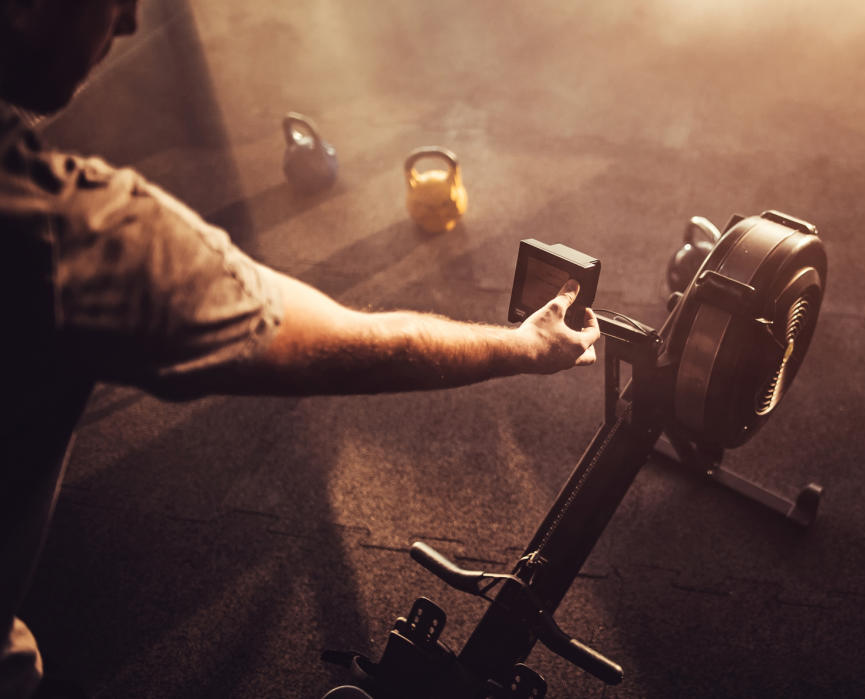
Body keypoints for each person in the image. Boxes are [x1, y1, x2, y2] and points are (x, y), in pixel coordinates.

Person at [0, 1, 602, 697]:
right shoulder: (69, 232)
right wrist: (526, 346)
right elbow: (361, 344)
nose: (131, 22)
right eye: (115, 0)